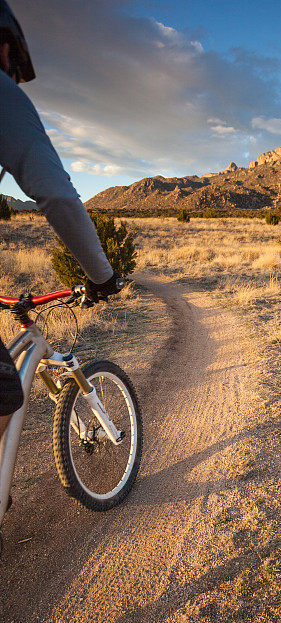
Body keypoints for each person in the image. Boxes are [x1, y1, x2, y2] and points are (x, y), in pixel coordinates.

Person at [0, 0, 122, 442]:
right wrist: (102, 276)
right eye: (12, 57)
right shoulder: (4, 95)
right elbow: (57, 194)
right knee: (4, 393)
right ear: (4, 45)